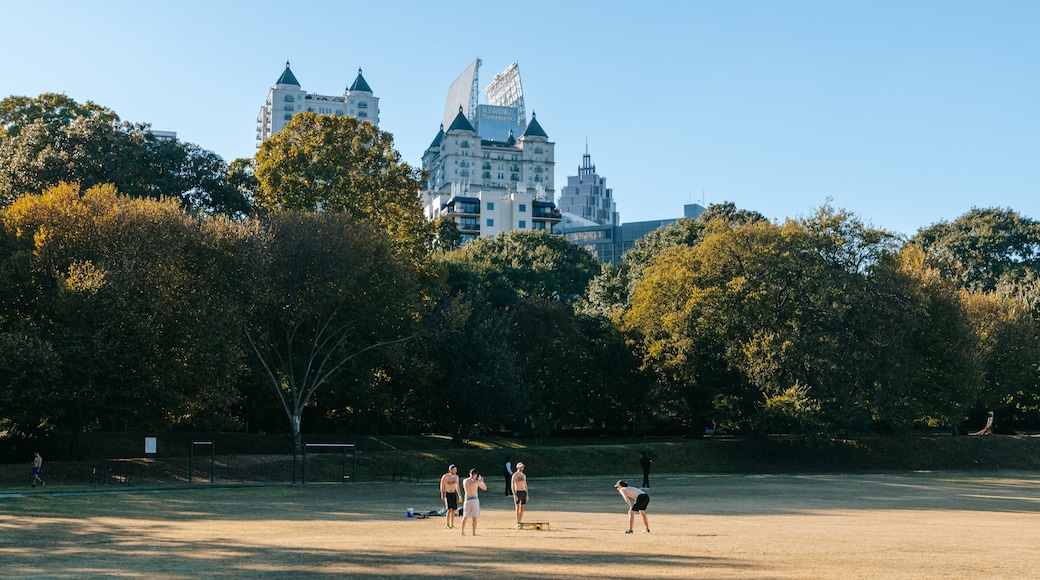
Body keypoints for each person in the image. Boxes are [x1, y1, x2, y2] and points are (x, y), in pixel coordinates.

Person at [460, 468, 487, 536]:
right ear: (476, 475)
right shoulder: (476, 482)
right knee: (474, 517)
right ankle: (473, 532)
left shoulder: (465, 481)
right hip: (474, 500)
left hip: (467, 499)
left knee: (465, 516)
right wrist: (481, 481)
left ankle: (462, 531)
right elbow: (485, 488)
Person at [439, 464, 461, 529]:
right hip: (447, 493)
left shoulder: (456, 477)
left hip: (453, 493)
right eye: (454, 470)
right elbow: (442, 486)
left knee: (453, 510)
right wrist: (442, 494)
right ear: (450, 470)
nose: (455, 471)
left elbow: (457, 486)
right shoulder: (445, 476)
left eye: (456, 470)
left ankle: (452, 524)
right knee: (449, 509)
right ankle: (447, 524)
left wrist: (459, 495)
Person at [510, 462, 529, 526]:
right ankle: (517, 521)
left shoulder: (523, 475)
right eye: (520, 467)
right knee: (517, 507)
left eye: (522, 467)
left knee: (522, 507)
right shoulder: (515, 475)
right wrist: (514, 495)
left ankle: (520, 521)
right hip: (517, 491)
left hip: (523, 491)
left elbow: (525, 485)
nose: (521, 468)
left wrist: (527, 495)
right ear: (517, 467)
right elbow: (512, 485)